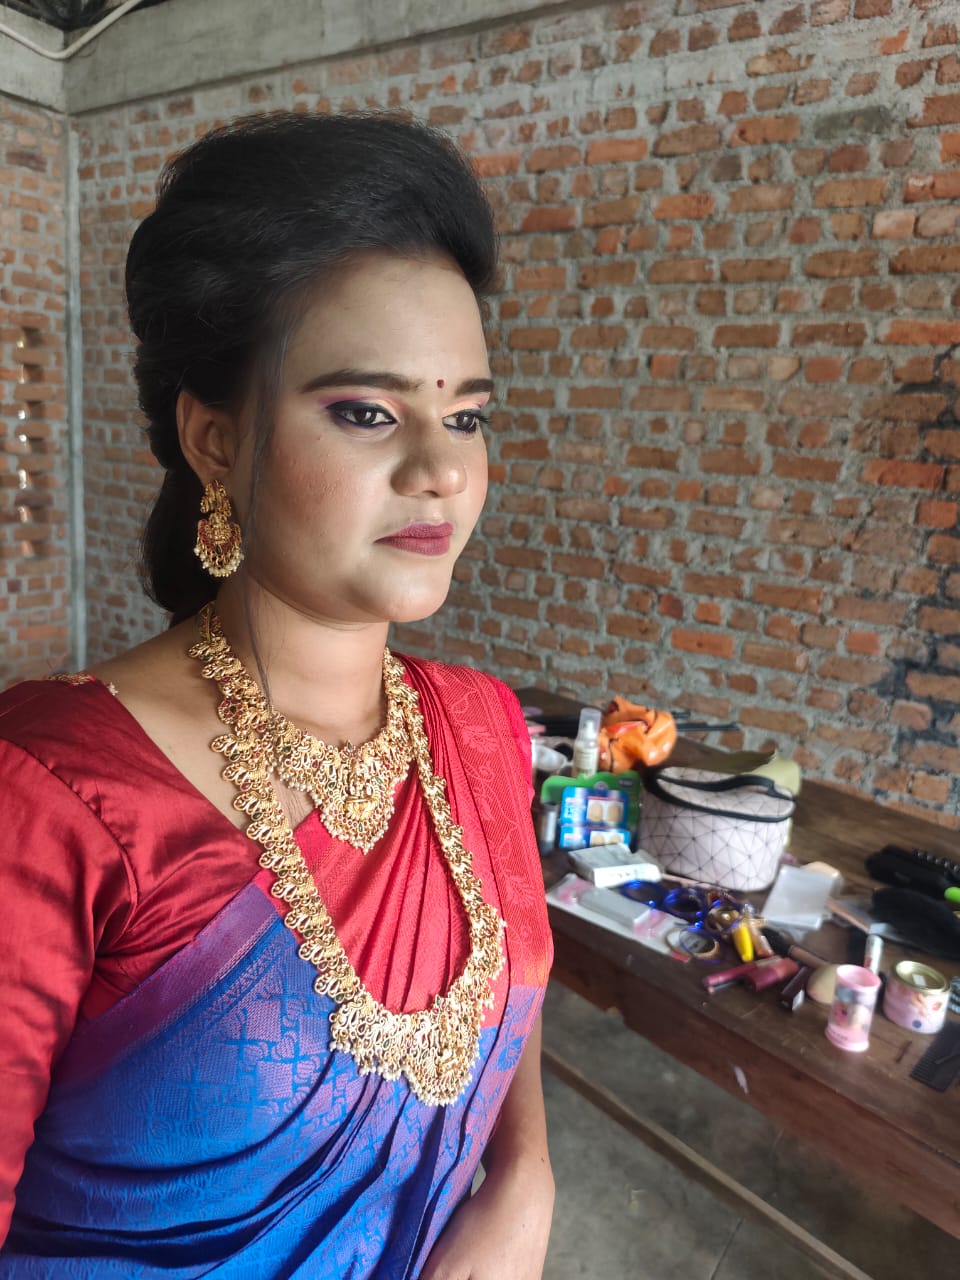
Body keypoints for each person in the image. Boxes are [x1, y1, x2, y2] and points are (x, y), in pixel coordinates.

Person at [0, 111, 554, 1278]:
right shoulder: (53, 797)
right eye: (367, 411)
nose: (441, 469)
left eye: (466, 415)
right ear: (214, 438)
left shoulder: (482, 726)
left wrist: (525, 1176)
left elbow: (511, 978)